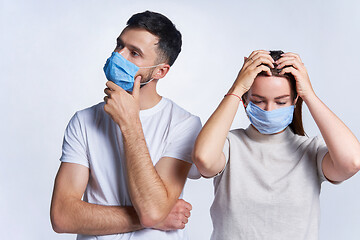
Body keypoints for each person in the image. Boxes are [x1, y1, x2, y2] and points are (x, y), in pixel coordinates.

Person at [50, 11, 201, 240]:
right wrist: (154, 218)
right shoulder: (83, 121)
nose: (118, 56)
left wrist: (130, 124)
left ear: (161, 71)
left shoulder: (184, 125)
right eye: (119, 45)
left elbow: (152, 210)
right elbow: (62, 216)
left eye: (134, 53)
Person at [192, 50, 360, 240]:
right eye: (258, 101)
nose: (269, 110)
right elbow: (203, 159)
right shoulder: (229, 145)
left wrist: (309, 95)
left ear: (295, 101)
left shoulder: (310, 151)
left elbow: (352, 161)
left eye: (281, 102)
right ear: (245, 101)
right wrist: (237, 88)